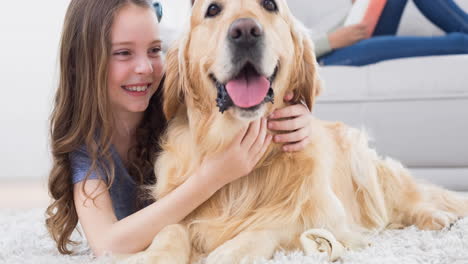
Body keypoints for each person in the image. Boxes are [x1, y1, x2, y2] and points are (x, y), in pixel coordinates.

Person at [45, 0, 315, 256]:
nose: (145, 68)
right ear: (84, 63)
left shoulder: (173, 97)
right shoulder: (86, 145)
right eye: (123, 53)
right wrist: (212, 177)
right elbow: (106, 243)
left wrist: (300, 118)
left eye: (154, 50)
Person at [290, 0, 468, 66]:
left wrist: (357, 13)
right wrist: (331, 41)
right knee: (462, 42)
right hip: (325, 59)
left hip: (339, 41)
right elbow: (285, 56)